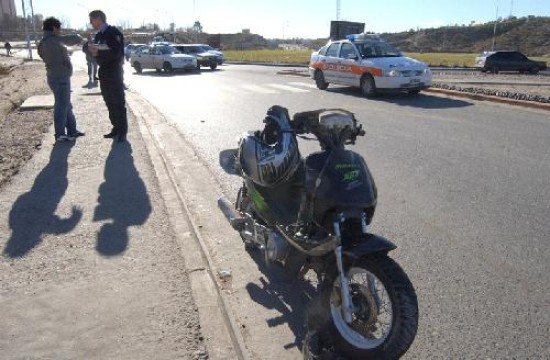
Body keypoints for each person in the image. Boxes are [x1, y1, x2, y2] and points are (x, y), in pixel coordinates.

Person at [37, 17, 84, 142]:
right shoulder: (54, 40)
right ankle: (60, 134)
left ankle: (72, 131)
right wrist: (79, 37)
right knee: (62, 106)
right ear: (54, 28)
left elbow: (43, 55)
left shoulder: (42, 42)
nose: (60, 31)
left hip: (53, 76)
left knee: (66, 105)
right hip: (60, 78)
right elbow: (72, 39)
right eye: (59, 28)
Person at [88, 10, 128, 142]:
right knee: (109, 101)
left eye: (92, 20)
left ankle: (122, 131)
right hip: (104, 71)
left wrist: (98, 53)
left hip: (114, 71)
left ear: (99, 19)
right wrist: (94, 53)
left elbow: (116, 53)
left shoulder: (113, 33)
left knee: (118, 101)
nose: (90, 23)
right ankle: (115, 128)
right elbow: (96, 52)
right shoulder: (99, 35)